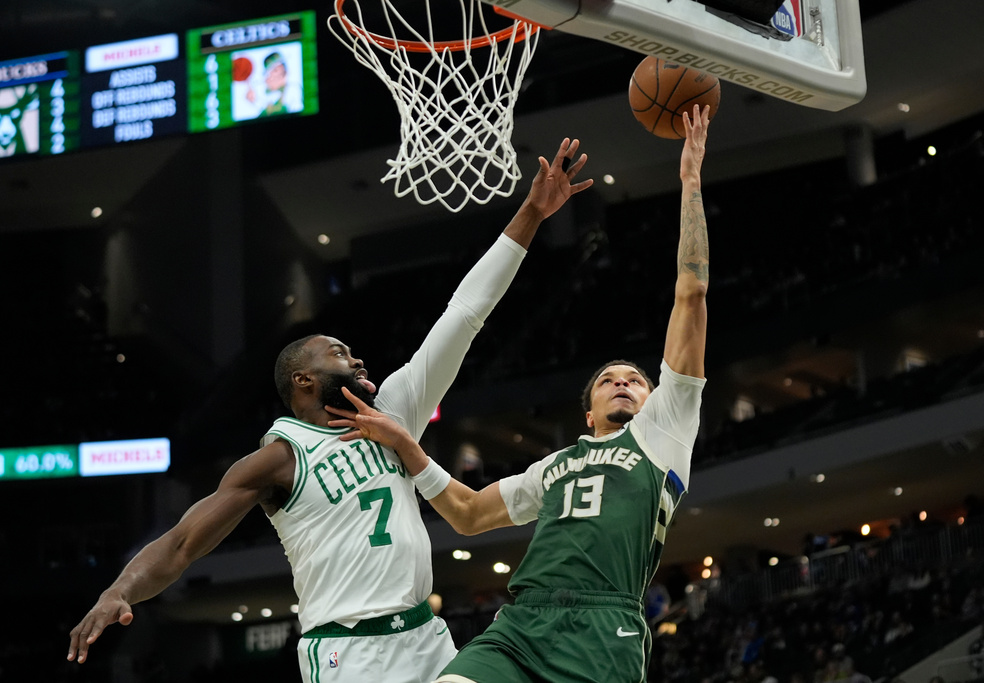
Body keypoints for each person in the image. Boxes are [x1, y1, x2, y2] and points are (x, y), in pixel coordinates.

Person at [66, 138, 594, 683]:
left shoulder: (395, 410)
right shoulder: (277, 460)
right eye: (340, 352)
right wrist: (118, 590)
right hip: (348, 653)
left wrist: (531, 214)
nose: (357, 356)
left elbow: (465, 313)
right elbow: (181, 543)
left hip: (426, 638)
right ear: (304, 379)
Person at [326, 104, 712, 683]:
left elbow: (692, 293)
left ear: (656, 398)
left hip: (603, 631)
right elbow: (469, 514)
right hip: (521, 624)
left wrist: (689, 180)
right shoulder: (555, 466)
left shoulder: (663, 431)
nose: (622, 383)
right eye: (608, 379)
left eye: (635, 378)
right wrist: (408, 447)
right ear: (588, 411)